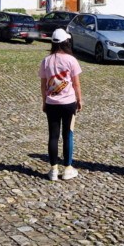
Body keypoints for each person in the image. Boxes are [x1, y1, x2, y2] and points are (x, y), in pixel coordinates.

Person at [39, 28, 83, 181]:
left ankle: (53, 169)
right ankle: (68, 168)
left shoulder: (46, 60)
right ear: (66, 42)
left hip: (52, 103)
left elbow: (43, 84)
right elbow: (76, 84)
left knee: (53, 135)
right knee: (68, 134)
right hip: (68, 103)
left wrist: (44, 101)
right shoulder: (71, 60)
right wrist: (80, 100)